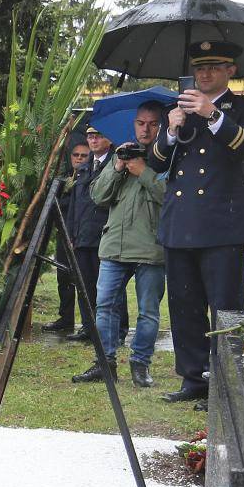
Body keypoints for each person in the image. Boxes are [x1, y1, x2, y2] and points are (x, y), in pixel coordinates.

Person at [146, 40, 244, 405]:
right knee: (184, 307)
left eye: (214, 67)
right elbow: (154, 162)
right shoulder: (179, 109)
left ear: (230, 70)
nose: (205, 73)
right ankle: (193, 378)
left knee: (226, 308)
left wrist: (213, 114)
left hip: (223, 225)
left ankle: (227, 381)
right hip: (180, 223)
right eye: (200, 68)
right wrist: (169, 130)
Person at [73, 105, 166, 389]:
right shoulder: (121, 154)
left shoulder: (169, 158)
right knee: (104, 307)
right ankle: (105, 363)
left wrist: (144, 173)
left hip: (150, 248)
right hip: (113, 245)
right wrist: (117, 167)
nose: (145, 129)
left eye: (152, 124)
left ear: (161, 126)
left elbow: (171, 197)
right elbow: (98, 196)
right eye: (140, 123)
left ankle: (141, 364)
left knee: (148, 311)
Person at [65, 125, 113, 343]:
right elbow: (75, 205)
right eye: (90, 136)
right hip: (83, 236)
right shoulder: (84, 168)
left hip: (104, 236)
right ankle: (87, 326)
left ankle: (113, 329)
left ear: (109, 140)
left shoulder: (115, 165)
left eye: (98, 135)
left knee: (108, 289)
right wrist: (71, 234)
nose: (93, 140)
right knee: (84, 285)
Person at [41, 142, 90, 334]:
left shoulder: (90, 176)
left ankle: (88, 323)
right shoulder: (65, 178)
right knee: (63, 276)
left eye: (83, 155)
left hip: (83, 235)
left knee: (85, 281)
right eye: (75, 155)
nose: (78, 158)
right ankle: (66, 317)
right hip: (64, 233)